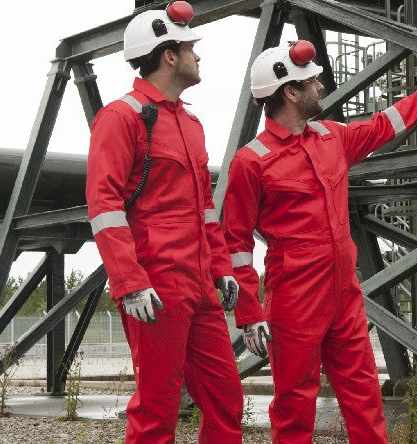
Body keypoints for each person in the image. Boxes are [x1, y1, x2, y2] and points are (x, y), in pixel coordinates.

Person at [222, 40, 417, 443]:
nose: (321, 87)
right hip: (294, 296)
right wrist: (248, 312)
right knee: (295, 404)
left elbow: (385, 124)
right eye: (312, 82)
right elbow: (236, 242)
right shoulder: (251, 161)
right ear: (290, 92)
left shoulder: (331, 137)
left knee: (364, 393)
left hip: (343, 291)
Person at [85, 2, 243, 442]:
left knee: (226, 398)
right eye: (191, 48)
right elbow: (104, 204)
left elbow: (204, 209)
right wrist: (130, 281)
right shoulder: (121, 117)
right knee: (157, 407)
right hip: (156, 283)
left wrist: (223, 268)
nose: (198, 55)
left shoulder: (190, 123)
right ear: (169, 56)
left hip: (201, 284)